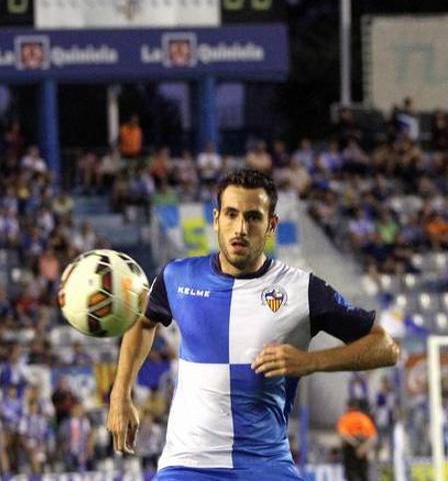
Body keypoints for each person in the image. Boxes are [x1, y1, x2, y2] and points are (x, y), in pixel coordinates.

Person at [106, 169, 400, 480]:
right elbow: (143, 322)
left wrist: (311, 361)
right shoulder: (177, 277)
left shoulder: (303, 289)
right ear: (217, 218)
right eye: (231, 215)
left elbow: (385, 347)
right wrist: (120, 394)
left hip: (265, 466)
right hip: (188, 465)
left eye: (253, 217)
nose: (241, 228)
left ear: (271, 225)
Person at [336, 399, 377, 481]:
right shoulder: (364, 418)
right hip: (363, 449)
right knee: (364, 475)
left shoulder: (345, 418)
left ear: (348, 407)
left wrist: (355, 444)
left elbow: (343, 434)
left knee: (351, 476)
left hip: (349, 449)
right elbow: (373, 437)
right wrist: (363, 448)